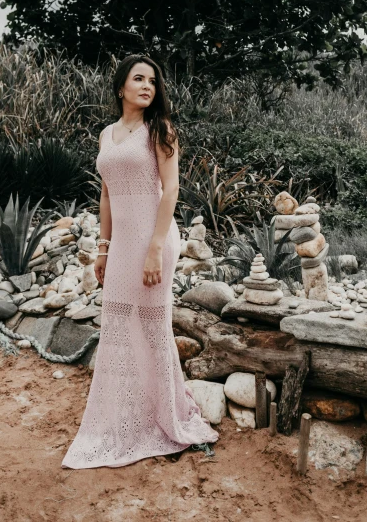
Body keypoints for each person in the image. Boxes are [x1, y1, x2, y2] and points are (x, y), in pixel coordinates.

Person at [61, 53, 219, 469]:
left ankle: (163, 416)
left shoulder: (160, 130)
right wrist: (102, 248)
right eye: (139, 79)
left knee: (151, 327)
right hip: (122, 244)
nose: (148, 86)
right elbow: (108, 194)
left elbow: (170, 191)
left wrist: (153, 249)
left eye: (153, 80)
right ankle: (123, 418)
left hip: (154, 241)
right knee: (118, 325)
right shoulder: (106, 134)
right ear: (121, 87)